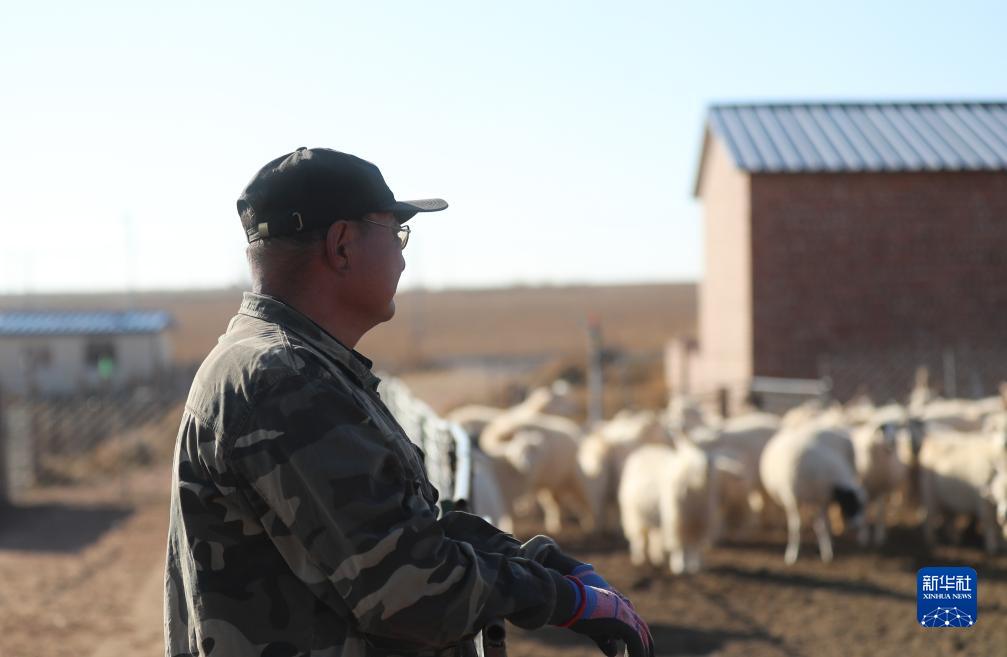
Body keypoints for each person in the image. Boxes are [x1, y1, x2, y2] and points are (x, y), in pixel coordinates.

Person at [163, 147, 653, 657]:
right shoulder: (286, 382)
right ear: (342, 245)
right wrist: (565, 600)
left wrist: (540, 562)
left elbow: (393, 527)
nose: (402, 257)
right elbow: (412, 591)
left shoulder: (286, 364)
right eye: (396, 232)